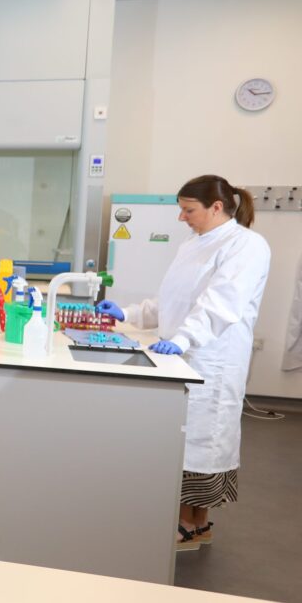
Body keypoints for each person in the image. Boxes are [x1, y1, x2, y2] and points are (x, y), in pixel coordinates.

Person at [95, 174, 270, 551]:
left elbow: (221, 304)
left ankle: (192, 524)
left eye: (188, 210)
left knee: (203, 442)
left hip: (212, 359)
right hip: (181, 353)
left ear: (217, 207)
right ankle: (191, 523)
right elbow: (171, 301)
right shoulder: (194, 244)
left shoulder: (247, 246)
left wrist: (184, 339)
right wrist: (126, 313)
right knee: (183, 439)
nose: (181, 218)